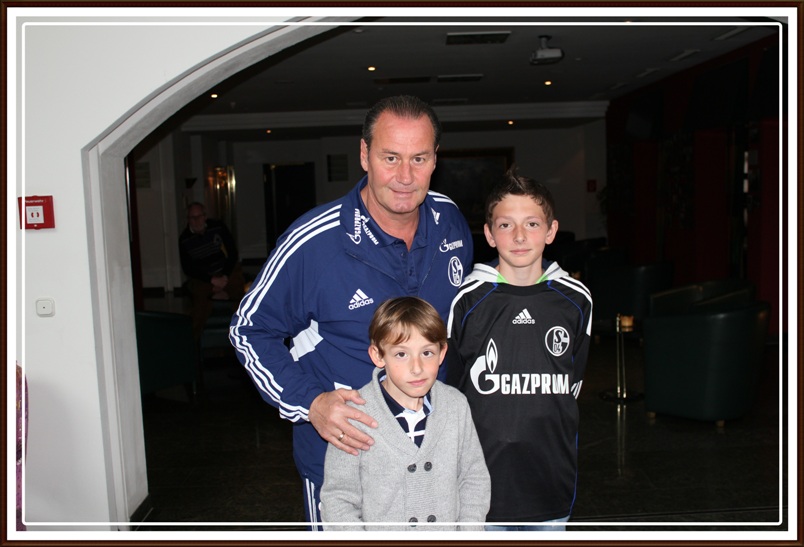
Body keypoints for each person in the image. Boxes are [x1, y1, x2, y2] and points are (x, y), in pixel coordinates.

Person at [229, 95, 473, 528]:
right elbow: (249, 329)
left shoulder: (450, 221)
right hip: (348, 470)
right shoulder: (314, 242)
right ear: (364, 155)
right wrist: (310, 403)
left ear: (435, 159)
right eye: (390, 158)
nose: (404, 176)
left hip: (434, 465)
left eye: (418, 159)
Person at [445, 166, 593, 531]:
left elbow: (572, 383)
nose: (519, 236)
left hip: (551, 482)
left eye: (532, 223)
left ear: (551, 231)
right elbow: (451, 389)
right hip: (481, 489)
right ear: (489, 234)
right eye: (505, 224)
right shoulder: (467, 301)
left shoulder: (576, 301)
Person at [319, 297, 490, 531]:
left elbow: (473, 478)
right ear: (378, 355)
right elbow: (338, 499)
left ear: (442, 353)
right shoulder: (354, 416)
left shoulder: (456, 406)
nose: (417, 367)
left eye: (427, 353)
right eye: (401, 354)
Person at [179, 202, 245, 338]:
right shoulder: (184, 240)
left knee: (241, 298)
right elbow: (188, 268)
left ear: (205, 216)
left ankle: (243, 335)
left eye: (199, 216)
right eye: (192, 217)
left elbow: (232, 254)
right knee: (200, 305)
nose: (196, 221)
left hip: (225, 271)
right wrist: (212, 280)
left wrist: (225, 277)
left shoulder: (218, 227)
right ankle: (192, 340)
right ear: (188, 219)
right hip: (204, 277)